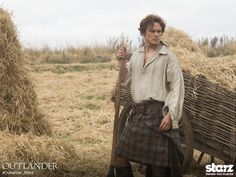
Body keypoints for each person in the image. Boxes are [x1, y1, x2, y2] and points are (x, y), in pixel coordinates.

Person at [114, 14, 185, 177]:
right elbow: (124, 79)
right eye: (152, 31)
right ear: (143, 33)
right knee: (120, 155)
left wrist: (171, 115)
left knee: (158, 167)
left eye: (159, 31)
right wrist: (123, 61)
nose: (156, 34)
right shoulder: (137, 55)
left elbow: (177, 87)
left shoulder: (168, 57)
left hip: (158, 115)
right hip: (138, 114)